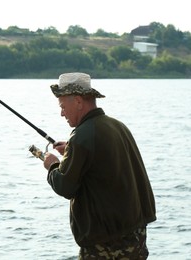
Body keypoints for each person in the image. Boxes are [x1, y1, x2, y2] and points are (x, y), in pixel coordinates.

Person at [43, 72, 156, 259]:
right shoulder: (117, 126)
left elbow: (65, 186)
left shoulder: (82, 136)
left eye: (63, 106)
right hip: (135, 235)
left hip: (106, 243)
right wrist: (71, 152)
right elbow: (101, 163)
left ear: (78, 101)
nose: (61, 113)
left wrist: (53, 165)